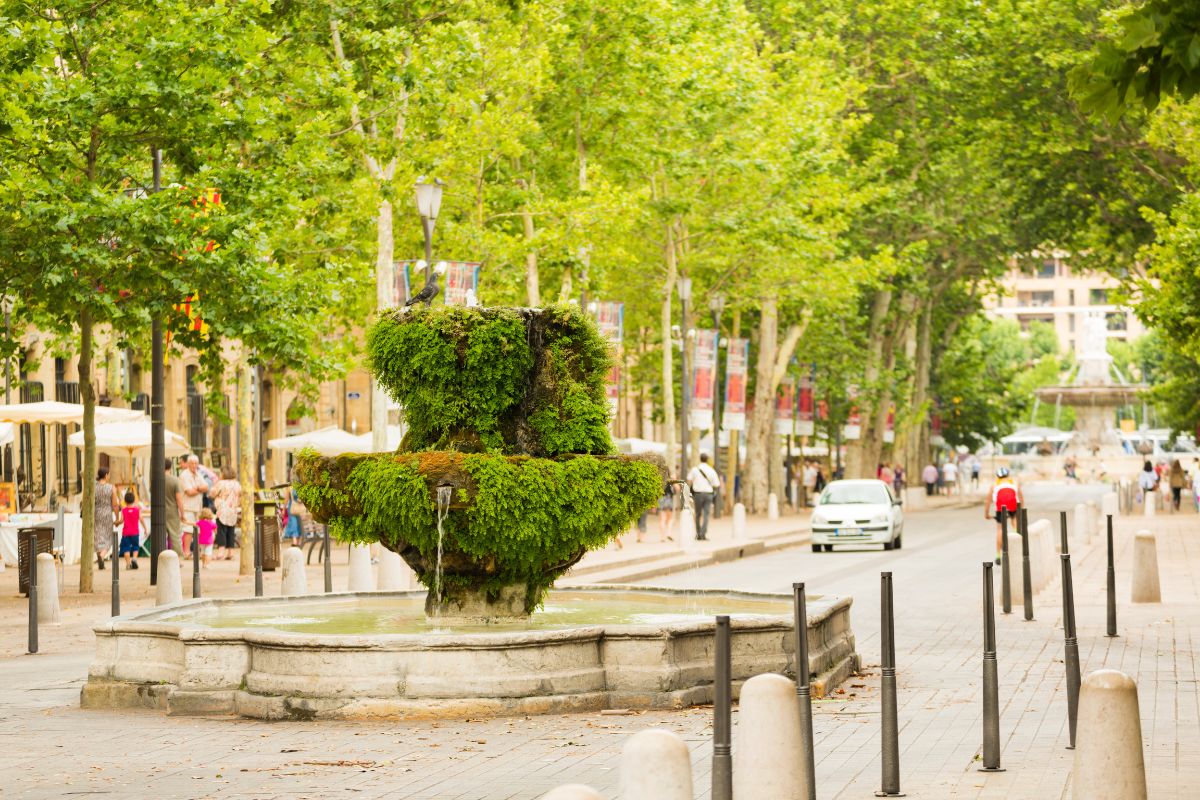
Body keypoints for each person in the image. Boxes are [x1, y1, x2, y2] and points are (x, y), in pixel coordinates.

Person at [986, 467, 1023, 564]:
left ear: (998, 476)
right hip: (1013, 505)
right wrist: (1021, 509)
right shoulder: (1014, 482)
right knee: (1014, 520)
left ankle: (998, 555)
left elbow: (988, 500)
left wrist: (987, 514)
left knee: (1000, 529)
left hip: (1000, 507)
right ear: (1008, 475)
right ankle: (1016, 538)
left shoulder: (994, 484)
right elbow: (1020, 496)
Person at [209, 465, 241, 560]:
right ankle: (230, 552)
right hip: (233, 509)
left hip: (222, 509)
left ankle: (221, 552)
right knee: (231, 531)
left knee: (221, 531)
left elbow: (212, 493)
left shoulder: (220, 483)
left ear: (223, 473)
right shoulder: (237, 484)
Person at [687, 453, 721, 541]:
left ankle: (698, 533)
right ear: (707, 460)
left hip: (698, 494)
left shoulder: (695, 469)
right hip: (708, 494)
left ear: (700, 459)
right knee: (706, 514)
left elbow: (689, 480)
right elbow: (716, 483)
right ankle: (703, 533)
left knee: (698, 514)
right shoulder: (711, 470)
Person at [179, 455, 208, 557]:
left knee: (198, 530)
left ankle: (197, 552)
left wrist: (197, 488)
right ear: (188, 464)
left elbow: (206, 487)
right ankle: (186, 552)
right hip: (188, 506)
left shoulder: (198, 474)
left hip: (198, 507)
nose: (194, 465)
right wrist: (200, 489)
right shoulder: (184, 475)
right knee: (188, 530)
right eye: (192, 463)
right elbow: (189, 492)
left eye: (196, 463)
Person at [93, 467, 120, 570]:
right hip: (107, 514)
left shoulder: (94, 487)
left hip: (96, 514)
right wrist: (117, 518)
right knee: (108, 538)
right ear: (106, 475)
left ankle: (100, 559)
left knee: (98, 536)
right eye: (108, 475)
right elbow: (115, 504)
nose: (109, 476)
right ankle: (102, 555)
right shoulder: (111, 487)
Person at [164, 458, 185, 554]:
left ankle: (161, 557)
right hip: (172, 512)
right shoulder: (174, 480)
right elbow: (179, 499)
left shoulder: (155, 480)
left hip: (160, 513)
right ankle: (178, 559)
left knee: (161, 537)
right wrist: (182, 514)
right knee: (175, 536)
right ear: (170, 467)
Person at [118, 491, 141, 570]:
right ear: (134, 500)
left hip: (126, 533)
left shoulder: (124, 510)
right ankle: (134, 559)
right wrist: (145, 528)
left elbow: (121, 520)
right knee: (135, 547)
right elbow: (141, 519)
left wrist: (117, 523)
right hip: (135, 532)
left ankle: (128, 564)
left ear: (125, 501)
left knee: (126, 548)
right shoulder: (137, 510)